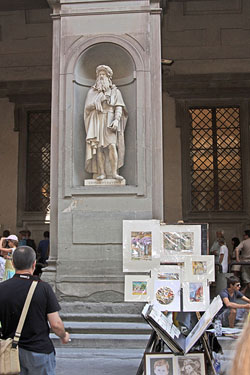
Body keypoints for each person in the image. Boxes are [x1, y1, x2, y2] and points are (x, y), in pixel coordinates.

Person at [0, 246, 70, 375]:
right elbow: (55, 324)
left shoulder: (2, 288)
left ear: (13, 263)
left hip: (10, 352)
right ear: (33, 264)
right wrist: (64, 335)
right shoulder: (43, 288)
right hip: (39, 351)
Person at [84, 64, 128, 181]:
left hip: (109, 118)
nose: (101, 77)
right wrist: (96, 102)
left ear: (109, 77)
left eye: (103, 74)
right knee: (99, 148)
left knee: (112, 146)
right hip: (97, 120)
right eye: (99, 75)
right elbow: (87, 109)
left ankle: (114, 173)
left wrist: (116, 120)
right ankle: (101, 172)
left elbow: (119, 107)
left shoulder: (115, 92)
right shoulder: (93, 92)